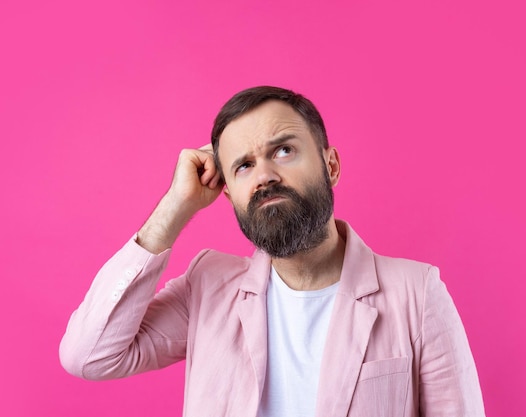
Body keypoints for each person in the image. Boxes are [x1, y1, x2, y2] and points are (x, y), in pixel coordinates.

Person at [60, 86, 485, 417]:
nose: (264, 175)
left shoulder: (417, 293)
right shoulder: (207, 286)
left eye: (284, 150)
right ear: (229, 194)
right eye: (243, 166)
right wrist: (175, 206)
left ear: (330, 166)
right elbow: (89, 356)